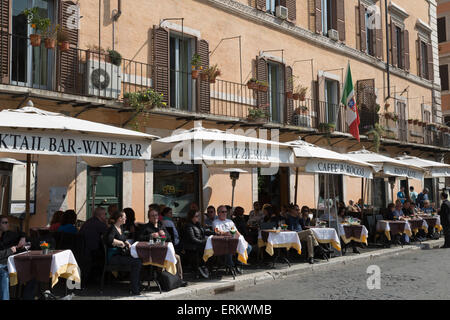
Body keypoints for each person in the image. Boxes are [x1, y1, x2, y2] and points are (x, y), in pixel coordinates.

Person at [137, 206, 185, 282]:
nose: (155, 217)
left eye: (156, 215)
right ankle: (165, 280)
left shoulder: (161, 225)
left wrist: (164, 235)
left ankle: (179, 279)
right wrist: (151, 235)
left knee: (177, 257)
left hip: (163, 250)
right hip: (152, 253)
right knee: (166, 260)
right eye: (152, 216)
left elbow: (169, 238)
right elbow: (139, 238)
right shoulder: (146, 227)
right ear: (149, 218)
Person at [104, 211, 142, 295]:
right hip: (113, 257)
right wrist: (120, 242)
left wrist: (126, 242)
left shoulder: (120, 228)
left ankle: (137, 285)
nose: (126, 218)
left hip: (120, 255)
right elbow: (109, 239)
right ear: (119, 218)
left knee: (139, 259)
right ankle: (135, 289)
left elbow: (123, 238)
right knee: (137, 262)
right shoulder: (112, 228)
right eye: (124, 217)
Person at [213, 205, 252, 273]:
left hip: (234, 241)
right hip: (223, 243)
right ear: (218, 213)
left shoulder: (230, 221)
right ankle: (231, 266)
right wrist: (226, 233)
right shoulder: (215, 222)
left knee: (248, 247)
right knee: (229, 249)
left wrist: (243, 240)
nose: (225, 213)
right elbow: (217, 231)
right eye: (223, 212)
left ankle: (238, 263)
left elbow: (236, 232)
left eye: (226, 211)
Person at [79, 207, 108, 286]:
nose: (106, 216)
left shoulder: (88, 222)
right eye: (105, 214)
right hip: (93, 252)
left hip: (83, 250)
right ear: (101, 215)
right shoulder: (100, 224)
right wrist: (106, 223)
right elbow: (108, 236)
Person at [0, 215, 26, 300]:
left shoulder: (8, 234)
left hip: (7, 264)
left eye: (8, 222)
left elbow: (21, 233)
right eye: (5, 223)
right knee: (4, 274)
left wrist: (23, 238)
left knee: (31, 270)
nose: (7, 224)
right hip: (2, 265)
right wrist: (10, 251)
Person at [183, 210, 211, 279]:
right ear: (191, 217)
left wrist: (215, 233)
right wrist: (204, 241)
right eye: (196, 216)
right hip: (192, 246)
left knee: (211, 248)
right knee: (207, 248)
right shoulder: (188, 226)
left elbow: (204, 232)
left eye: (198, 216)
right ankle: (202, 266)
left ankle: (205, 266)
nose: (198, 217)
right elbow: (193, 239)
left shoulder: (198, 224)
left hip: (199, 244)